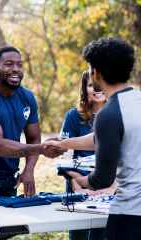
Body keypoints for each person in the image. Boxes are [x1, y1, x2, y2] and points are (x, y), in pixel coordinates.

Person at [45, 37, 140, 240]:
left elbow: (102, 178)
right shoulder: (136, 103)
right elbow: (101, 138)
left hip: (129, 215)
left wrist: (78, 180)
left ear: (95, 73)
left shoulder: (108, 114)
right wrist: (62, 144)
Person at [0, 45, 66, 203]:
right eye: (9, 64)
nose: (16, 69)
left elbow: (33, 137)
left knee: (12, 226)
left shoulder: (27, 97)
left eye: (19, 64)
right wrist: (42, 149)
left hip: (10, 177)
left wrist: (28, 169)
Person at [60, 69, 116, 240]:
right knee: (78, 235)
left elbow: (124, 158)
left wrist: (111, 188)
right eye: (92, 85)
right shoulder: (73, 116)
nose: (97, 90)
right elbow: (66, 156)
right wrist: (77, 187)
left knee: (101, 235)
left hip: (109, 187)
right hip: (78, 184)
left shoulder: (117, 115)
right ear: (85, 89)